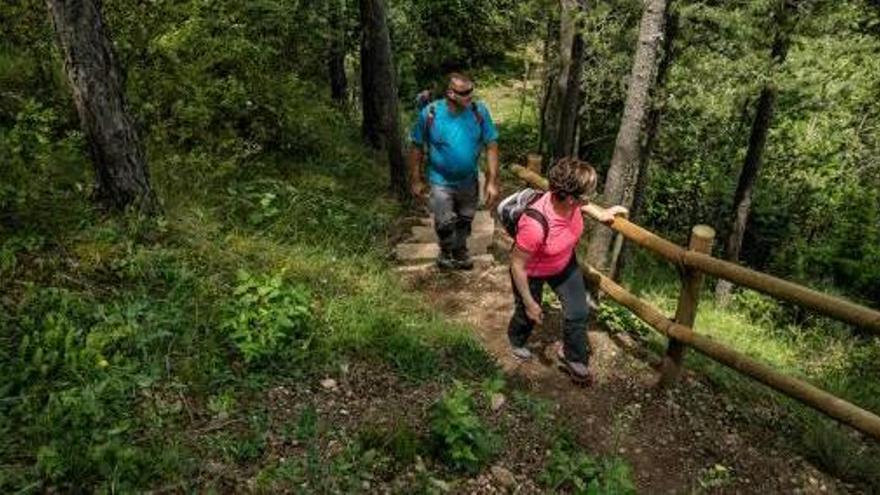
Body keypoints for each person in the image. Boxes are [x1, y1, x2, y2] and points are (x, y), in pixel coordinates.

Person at [507, 157, 627, 383]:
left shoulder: (571, 201)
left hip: (563, 262)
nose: (591, 198)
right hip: (531, 271)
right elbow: (517, 264)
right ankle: (516, 340)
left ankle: (573, 357)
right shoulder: (534, 224)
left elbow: (584, 202)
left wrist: (601, 214)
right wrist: (530, 301)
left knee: (578, 311)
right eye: (587, 195)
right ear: (571, 199)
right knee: (528, 315)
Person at [409, 73, 500, 270]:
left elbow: (491, 144)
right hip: (440, 180)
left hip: (468, 180)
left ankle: (460, 251)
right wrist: (415, 179)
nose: (470, 95)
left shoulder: (479, 112)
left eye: (471, 91)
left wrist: (492, 181)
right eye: (464, 92)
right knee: (444, 221)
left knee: (465, 219)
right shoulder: (430, 113)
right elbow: (417, 146)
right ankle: (445, 251)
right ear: (450, 93)